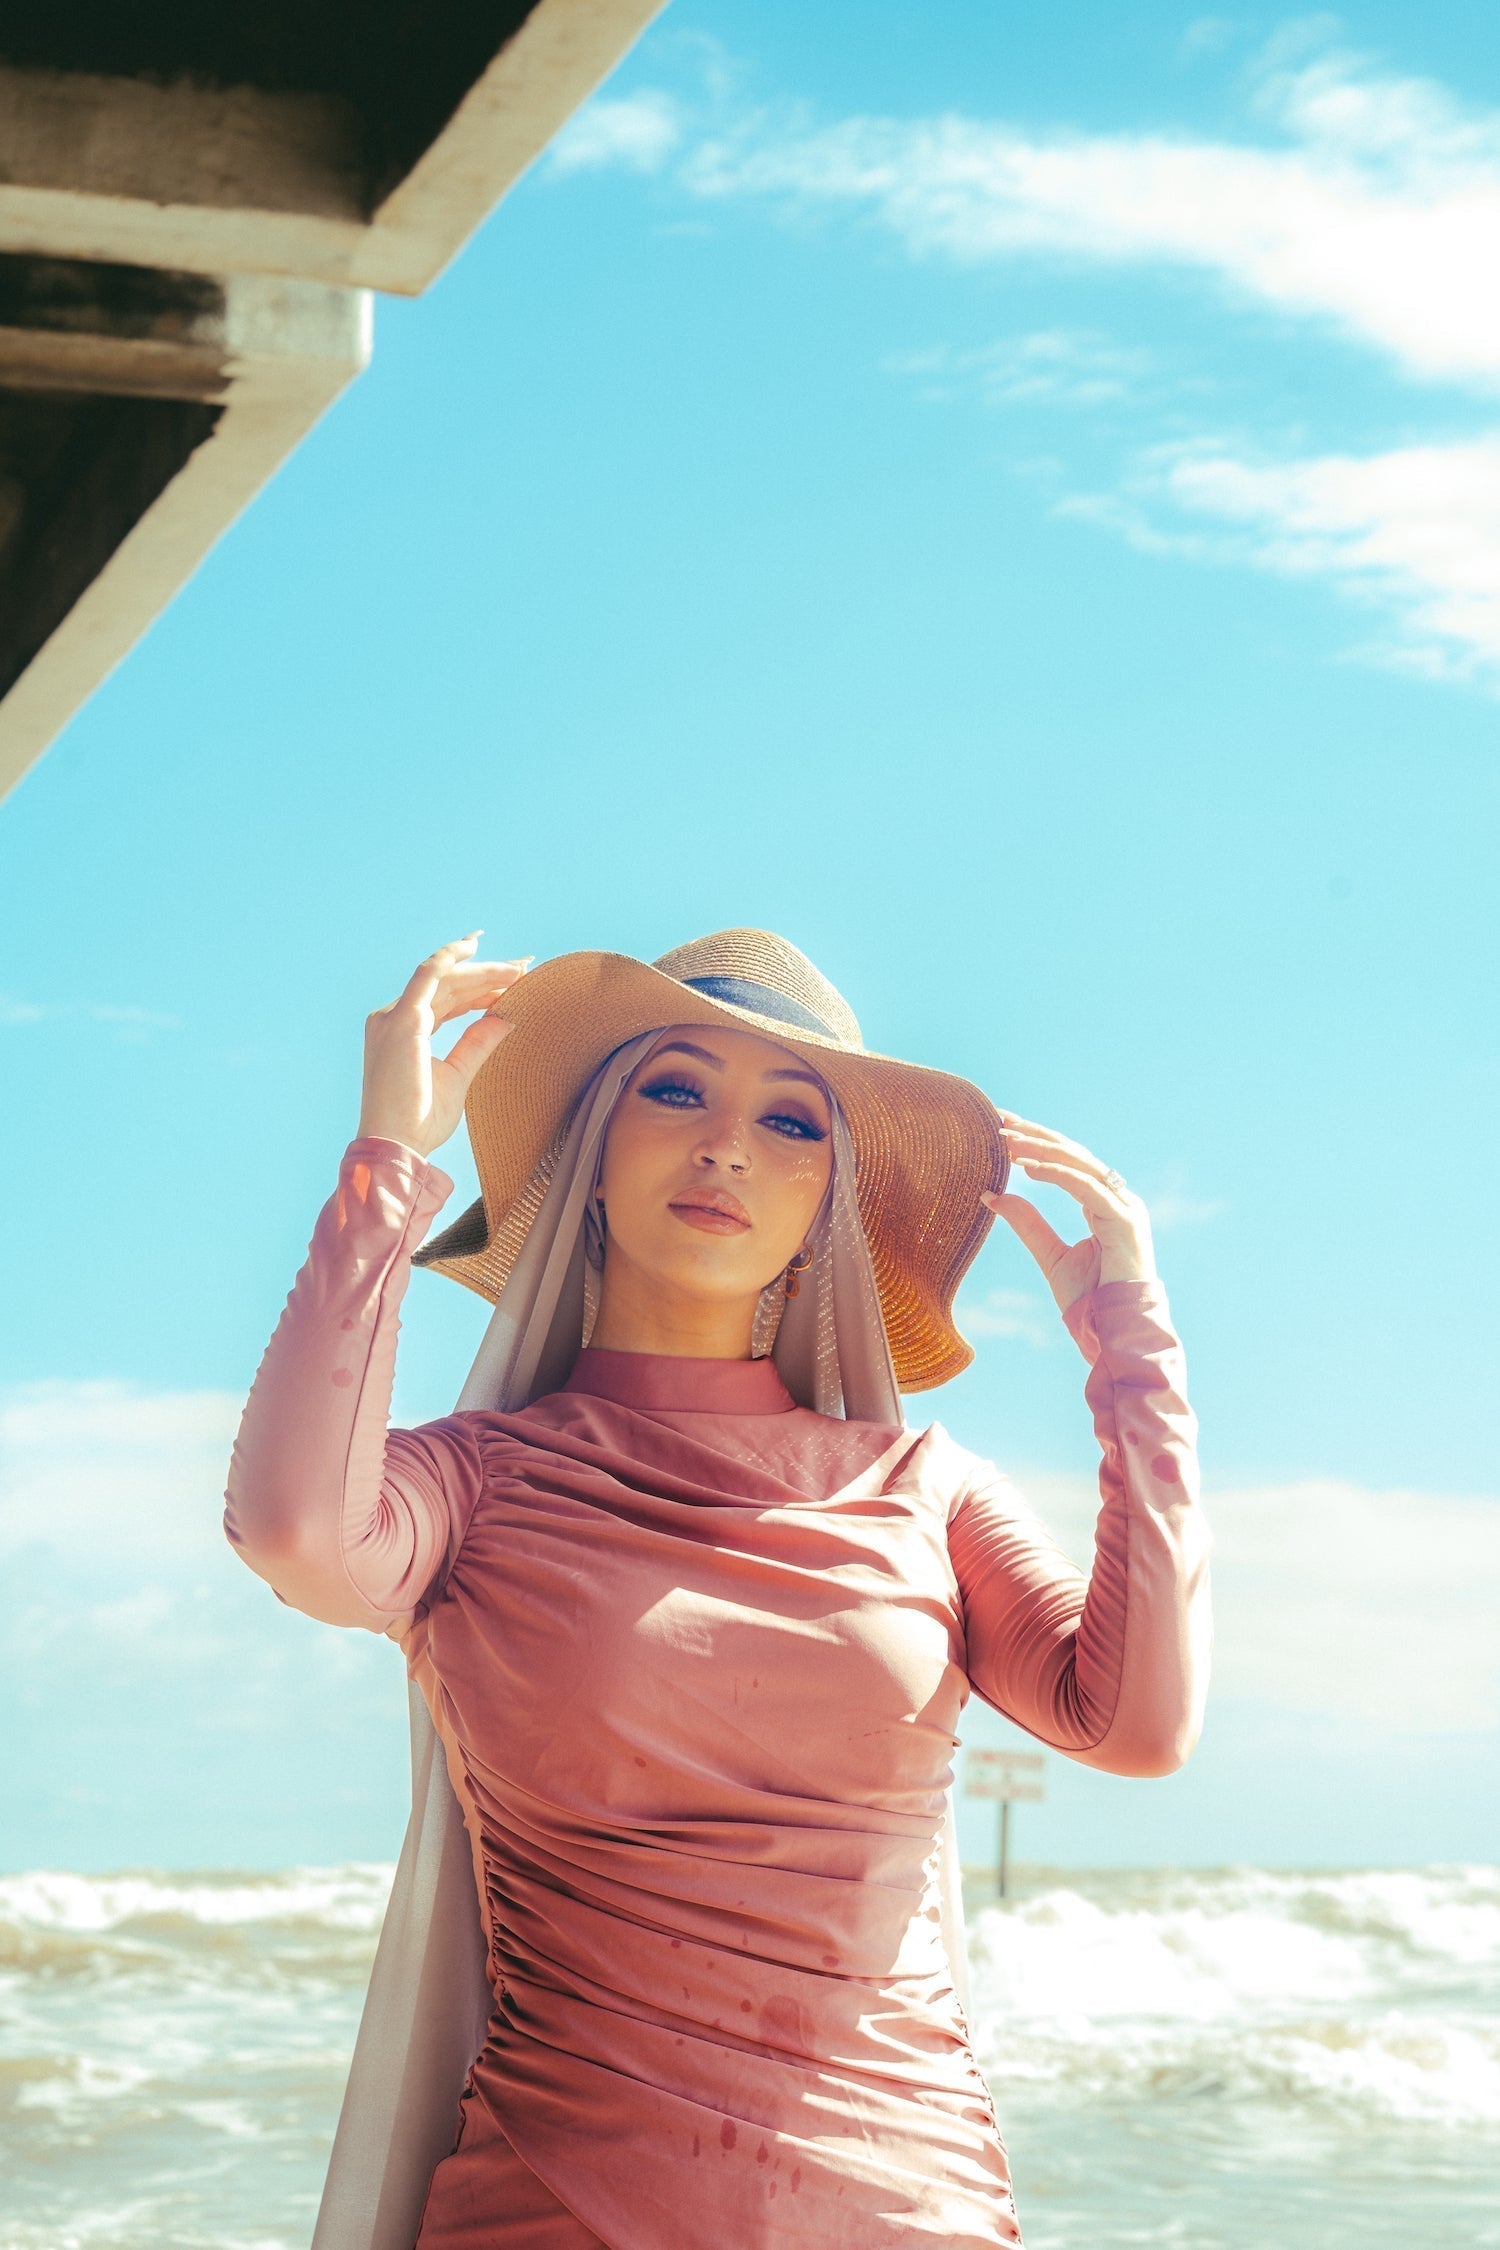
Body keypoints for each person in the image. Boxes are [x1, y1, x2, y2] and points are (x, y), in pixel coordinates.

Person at [224, 927, 1211, 2250]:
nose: (728, 1146)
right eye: (677, 1090)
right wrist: (385, 1164)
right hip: (550, 2211)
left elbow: (1137, 1723)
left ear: (825, 1206)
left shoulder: (925, 1489)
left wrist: (1129, 1348)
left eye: (790, 1120)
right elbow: (295, 1531)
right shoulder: (474, 1482)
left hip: (903, 2205)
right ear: (590, 1156)